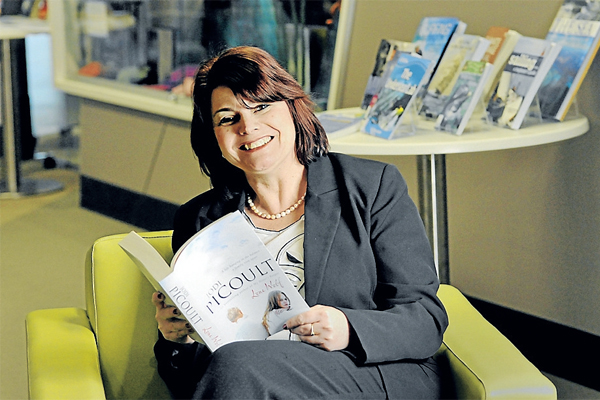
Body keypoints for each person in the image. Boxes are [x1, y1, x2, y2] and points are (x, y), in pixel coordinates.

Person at [152, 46, 448, 399]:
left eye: (261, 107)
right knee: (237, 365)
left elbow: (425, 319)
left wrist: (347, 327)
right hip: (250, 383)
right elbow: (198, 377)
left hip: (369, 372)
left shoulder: (372, 186)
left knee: (238, 364)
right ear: (212, 136)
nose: (248, 127)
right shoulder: (199, 219)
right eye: (228, 118)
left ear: (293, 108)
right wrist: (178, 340)